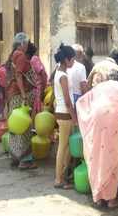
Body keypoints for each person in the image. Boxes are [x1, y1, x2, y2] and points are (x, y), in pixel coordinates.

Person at [76, 70, 118, 208]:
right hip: (112, 117)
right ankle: (110, 200)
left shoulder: (99, 87)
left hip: (96, 118)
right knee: (112, 156)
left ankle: (98, 197)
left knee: (96, 154)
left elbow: (83, 100)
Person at [0, 32, 38, 170]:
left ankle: (15, 157)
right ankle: (25, 161)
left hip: (12, 96)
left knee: (15, 128)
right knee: (24, 128)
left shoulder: (13, 55)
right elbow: (19, 75)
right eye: (26, 43)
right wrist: (24, 95)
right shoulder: (20, 55)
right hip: (20, 97)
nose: (27, 46)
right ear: (22, 44)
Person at [52, 44, 78, 189]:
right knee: (63, 147)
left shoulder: (58, 72)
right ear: (66, 60)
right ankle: (59, 179)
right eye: (72, 59)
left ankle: (62, 176)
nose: (73, 62)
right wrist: (74, 118)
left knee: (65, 146)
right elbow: (68, 101)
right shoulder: (63, 76)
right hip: (65, 114)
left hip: (61, 112)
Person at [25, 41, 48, 113]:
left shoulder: (34, 59)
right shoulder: (28, 61)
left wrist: (43, 88)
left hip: (38, 89)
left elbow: (43, 73)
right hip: (34, 89)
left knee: (36, 109)